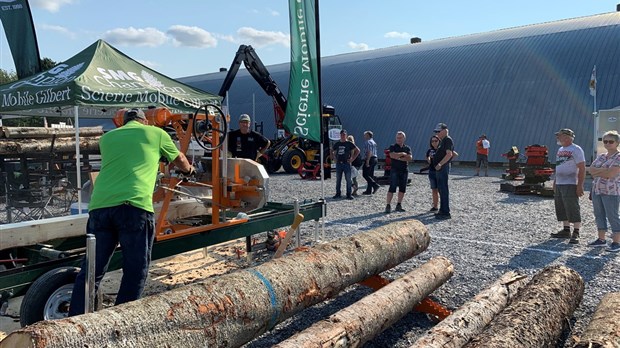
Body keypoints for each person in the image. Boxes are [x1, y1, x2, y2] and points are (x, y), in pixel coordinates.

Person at [69, 108, 194, 316]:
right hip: (133, 208)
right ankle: (122, 319)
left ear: (122, 123)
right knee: (135, 270)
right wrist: (189, 170)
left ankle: (74, 320)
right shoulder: (157, 134)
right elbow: (179, 159)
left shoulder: (107, 138)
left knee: (92, 270)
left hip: (100, 207)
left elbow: (128, 158)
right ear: (145, 122)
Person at [550, 128, 586, 244]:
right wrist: (555, 181)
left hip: (570, 183)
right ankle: (566, 230)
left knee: (572, 207)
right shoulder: (560, 149)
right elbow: (559, 166)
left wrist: (580, 185)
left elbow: (582, 167)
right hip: (560, 182)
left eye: (559, 136)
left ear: (566, 137)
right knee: (561, 206)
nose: (557, 138)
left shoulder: (576, 149)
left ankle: (576, 231)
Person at [587, 130, 620, 252]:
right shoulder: (601, 156)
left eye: (610, 141)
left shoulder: (619, 157)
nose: (607, 143)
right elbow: (591, 170)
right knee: (599, 215)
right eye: (605, 141)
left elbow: (611, 174)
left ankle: (617, 242)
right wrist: (603, 171)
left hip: (611, 192)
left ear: (617, 143)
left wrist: (599, 171)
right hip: (597, 190)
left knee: (613, 216)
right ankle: (601, 239)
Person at [385, 131, 412, 213]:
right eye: (397, 138)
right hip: (395, 170)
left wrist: (398, 157)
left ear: (404, 138)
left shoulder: (407, 148)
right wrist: (402, 154)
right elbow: (392, 155)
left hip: (404, 170)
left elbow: (410, 158)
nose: (398, 139)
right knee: (392, 187)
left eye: (400, 138)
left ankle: (399, 204)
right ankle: (388, 205)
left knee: (402, 188)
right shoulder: (392, 146)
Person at [433, 123, 454, 220]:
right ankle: (442, 210)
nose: (437, 133)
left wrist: (440, 164)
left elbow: (449, 154)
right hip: (440, 168)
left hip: (443, 168)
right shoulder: (443, 141)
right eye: (436, 131)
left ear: (445, 130)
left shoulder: (447, 140)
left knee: (443, 189)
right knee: (441, 189)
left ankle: (445, 212)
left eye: (438, 131)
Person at [331, 129, 360, 200]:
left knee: (348, 180)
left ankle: (349, 194)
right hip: (339, 163)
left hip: (346, 163)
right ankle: (338, 193)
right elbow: (331, 150)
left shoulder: (349, 143)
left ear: (346, 135)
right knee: (338, 180)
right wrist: (334, 158)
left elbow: (358, 150)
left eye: (344, 135)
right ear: (340, 135)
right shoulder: (337, 144)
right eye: (341, 135)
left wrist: (352, 159)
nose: (343, 136)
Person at [362, 131, 380, 195]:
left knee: (365, 174)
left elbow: (369, 152)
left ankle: (375, 185)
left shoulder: (368, 142)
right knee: (370, 175)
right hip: (375, 158)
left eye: (365, 135)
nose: (364, 136)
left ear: (368, 135)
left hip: (370, 158)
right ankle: (368, 190)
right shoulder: (374, 142)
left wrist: (367, 161)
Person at [426, 135, 441, 212]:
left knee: (441, 190)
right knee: (434, 189)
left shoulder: (441, 150)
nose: (434, 142)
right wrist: (429, 159)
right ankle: (435, 206)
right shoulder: (430, 150)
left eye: (436, 141)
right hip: (432, 171)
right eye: (432, 141)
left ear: (439, 141)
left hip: (440, 171)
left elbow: (453, 154)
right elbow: (427, 157)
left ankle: (443, 206)